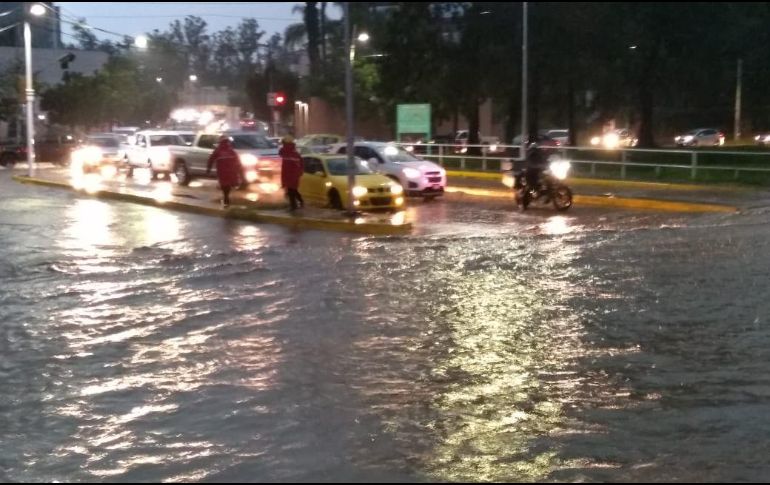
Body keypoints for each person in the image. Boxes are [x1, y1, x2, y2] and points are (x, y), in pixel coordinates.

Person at [206, 135, 242, 208]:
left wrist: (208, 169)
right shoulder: (231, 150)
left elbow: (211, 159)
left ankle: (226, 197)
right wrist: (239, 169)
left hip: (222, 171)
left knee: (224, 184)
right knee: (228, 184)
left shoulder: (218, 150)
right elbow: (237, 160)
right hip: (231, 170)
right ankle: (226, 197)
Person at [280, 135, 304, 211]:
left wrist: (296, 175)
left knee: (291, 191)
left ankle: (294, 206)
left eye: (284, 143)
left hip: (292, 176)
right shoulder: (288, 153)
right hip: (288, 175)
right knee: (293, 190)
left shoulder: (293, 154)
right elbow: (280, 153)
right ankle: (300, 202)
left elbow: (299, 166)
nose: (282, 144)